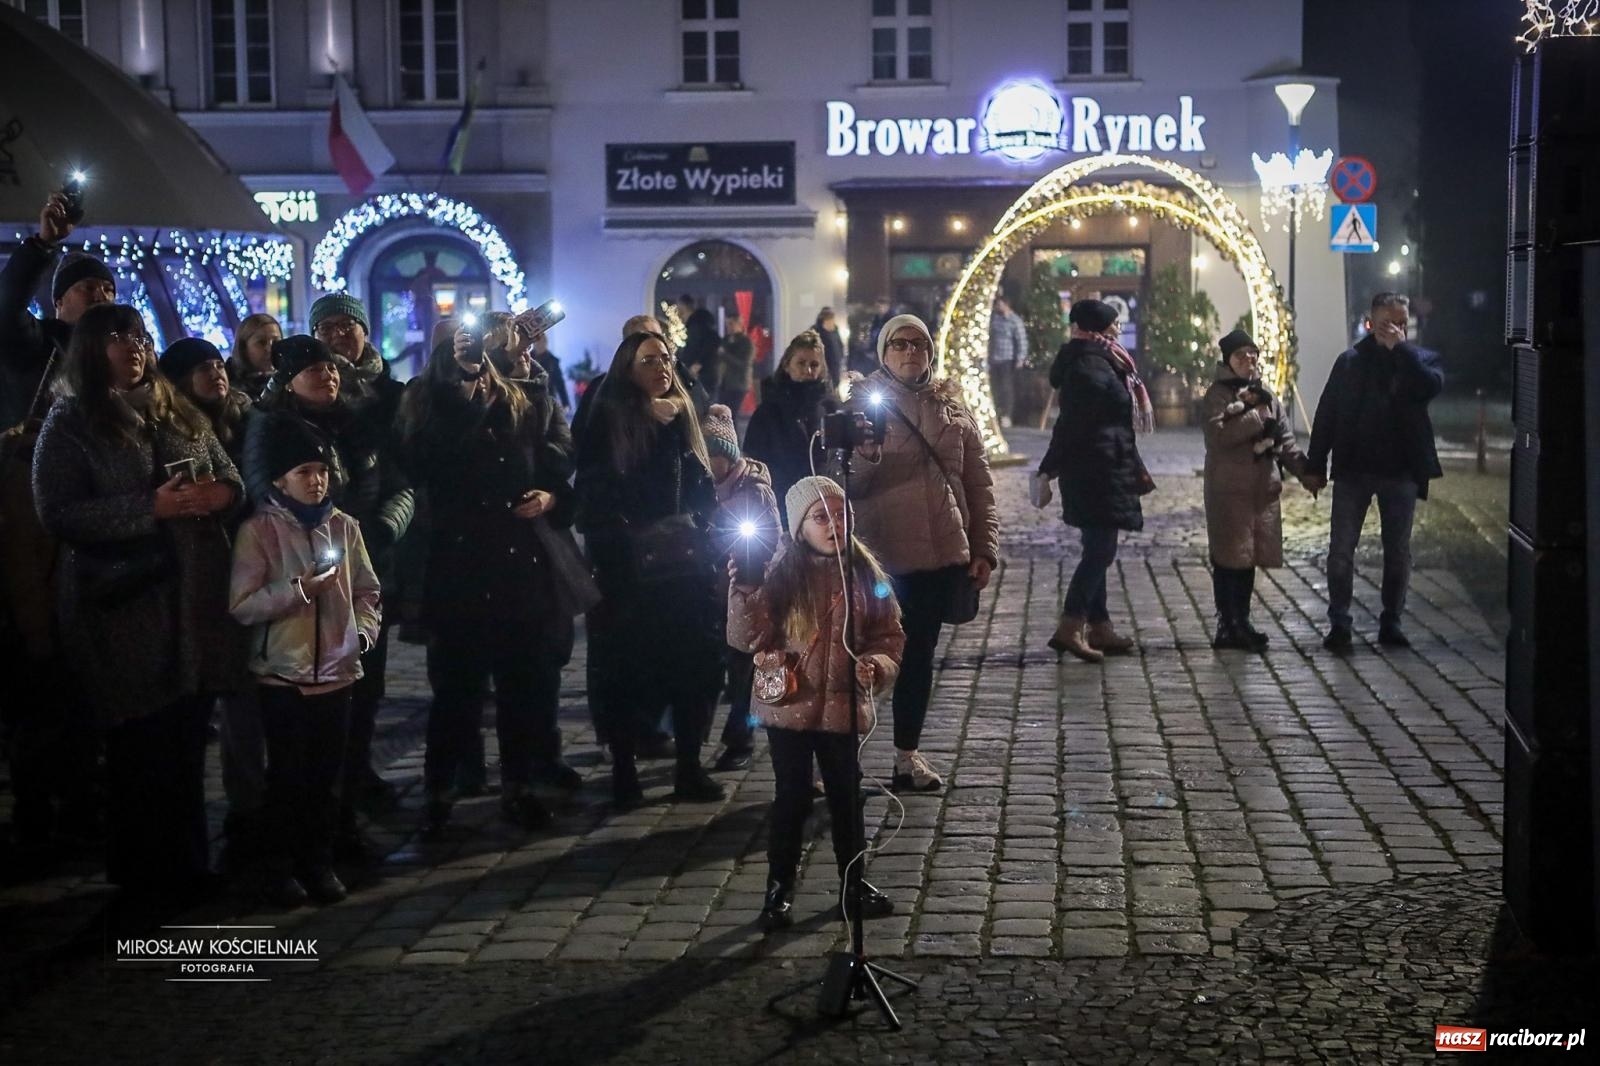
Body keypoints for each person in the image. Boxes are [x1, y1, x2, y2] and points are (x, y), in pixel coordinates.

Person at [31, 304, 243, 909]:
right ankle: (143, 875)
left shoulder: (177, 410)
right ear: (94, 350)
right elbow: (59, 511)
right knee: (139, 743)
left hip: (191, 596)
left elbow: (230, 476)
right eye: (119, 338)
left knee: (183, 740)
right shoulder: (71, 422)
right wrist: (150, 509)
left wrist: (217, 493)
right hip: (121, 602)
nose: (134, 347)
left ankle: (189, 866)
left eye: (140, 336)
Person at [399, 314, 580, 837]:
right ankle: (440, 789)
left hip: (519, 563)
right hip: (460, 564)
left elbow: (557, 470)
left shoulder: (526, 400)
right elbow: (425, 459)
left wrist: (550, 497)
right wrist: (460, 381)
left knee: (521, 687)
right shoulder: (434, 398)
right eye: (505, 345)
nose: (519, 353)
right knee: (457, 690)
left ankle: (518, 787)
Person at [243, 334, 414, 847]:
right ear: (289, 381)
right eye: (314, 370)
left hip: (363, 572)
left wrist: (382, 529)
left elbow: (399, 485)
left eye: (332, 369)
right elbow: (261, 492)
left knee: (361, 694)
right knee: (306, 711)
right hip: (304, 582)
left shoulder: (362, 423)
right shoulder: (272, 428)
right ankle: (302, 833)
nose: (328, 377)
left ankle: (346, 806)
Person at [728, 476, 904, 930]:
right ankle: (779, 888)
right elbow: (749, 638)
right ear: (799, 526)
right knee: (792, 797)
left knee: (847, 795)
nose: (834, 525)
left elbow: (889, 634)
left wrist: (877, 664)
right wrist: (744, 593)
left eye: (841, 514)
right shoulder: (777, 571)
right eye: (820, 517)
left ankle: (853, 881)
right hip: (789, 703)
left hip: (843, 703)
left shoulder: (866, 574)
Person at [843, 314, 998, 793]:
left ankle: (905, 755)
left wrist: (984, 547)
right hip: (883, 559)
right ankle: (838, 759)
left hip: (939, 556)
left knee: (918, 657)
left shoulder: (952, 404)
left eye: (919, 344)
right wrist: (864, 454)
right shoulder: (862, 405)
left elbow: (978, 480)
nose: (911, 352)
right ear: (884, 352)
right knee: (865, 659)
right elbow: (844, 480)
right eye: (899, 344)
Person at [229, 417, 381, 908]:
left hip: (337, 673)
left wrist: (360, 634)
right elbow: (243, 603)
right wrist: (298, 591)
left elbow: (367, 592)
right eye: (303, 471)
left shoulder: (346, 526)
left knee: (325, 777)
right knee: (288, 777)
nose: (316, 480)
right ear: (279, 479)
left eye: (321, 470)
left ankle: (318, 862)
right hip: (284, 674)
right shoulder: (260, 532)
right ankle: (280, 867)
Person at [576, 330, 727, 807]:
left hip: (685, 570)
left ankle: (689, 767)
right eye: (648, 360)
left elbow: (703, 488)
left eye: (665, 358)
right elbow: (595, 495)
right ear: (628, 370)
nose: (661, 367)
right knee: (625, 674)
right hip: (629, 575)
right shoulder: (609, 421)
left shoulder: (683, 419)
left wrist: (706, 531)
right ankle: (624, 770)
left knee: (694, 669)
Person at [1305, 292, 1443, 651]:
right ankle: (1340, 623)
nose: (1395, 328)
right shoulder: (1350, 362)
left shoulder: (1417, 361)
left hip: (1401, 472)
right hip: (1354, 470)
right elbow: (1327, 413)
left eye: (1401, 321)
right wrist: (1315, 464)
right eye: (1388, 321)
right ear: (1372, 320)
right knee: (1340, 551)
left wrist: (1401, 350)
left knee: (1397, 552)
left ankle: (1392, 621)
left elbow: (1431, 385)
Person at [1038, 299, 1154, 664]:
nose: (1118, 330)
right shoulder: (1090, 366)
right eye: (1114, 325)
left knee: (1097, 547)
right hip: (1094, 471)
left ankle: (1100, 626)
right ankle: (1071, 626)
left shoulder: (1105, 360)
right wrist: (1048, 468)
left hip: (1103, 466)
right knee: (1100, 551)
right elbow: (1072, 425)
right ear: (1097, 329)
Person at [1202, 330, 1316, 651]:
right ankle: (1228, 624)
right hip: (1230, 490)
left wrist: (1305, 471)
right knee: (1229, 558)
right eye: (1241, 356)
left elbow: (1284, 439)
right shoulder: (1217, 394)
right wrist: (1255, 416)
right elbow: (1219, 436)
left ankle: (1243, 621)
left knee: (1248, 558)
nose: (1248, 361)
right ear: (1227, 360)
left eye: (1252, 355)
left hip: (1261, 490)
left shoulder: (1265, 392)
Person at [700, 403, 780, 772]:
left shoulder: (754, 490)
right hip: (710, 592)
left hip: (746, 590)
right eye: (706, 454)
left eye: (717, 455)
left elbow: (767, 539)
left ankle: (741, 736)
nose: (712, 462)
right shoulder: (700, 488)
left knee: (746, 667)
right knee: (717, 666)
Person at [0, 193, 117, 430]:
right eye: (88, 287)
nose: (101, 296)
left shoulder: (117, 353)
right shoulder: (36, 343)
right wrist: (43, 244)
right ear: (59, 301)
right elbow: (7, 306)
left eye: (108, 289)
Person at [742, 330, 838, 522]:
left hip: (824, 503)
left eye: (814, 364)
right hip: (781, 501)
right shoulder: (768, 410)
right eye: (801, 363)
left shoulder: (831, 408)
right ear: (787, 365)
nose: (808, 370)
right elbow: (753, 459)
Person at [159, 338, 251, 467]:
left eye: (220, 366)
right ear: (182, 380)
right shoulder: (177, 430)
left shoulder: (245, 411)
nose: (216, 374)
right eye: (204, 368)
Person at [987, 295, 1028, 429]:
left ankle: (1006, 415)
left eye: (999, 304)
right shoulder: (995, 319)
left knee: (1006, 388)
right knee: (995, 387)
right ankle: (996, 414)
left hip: (1007, 359)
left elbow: (1021, 340)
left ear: (1006, 304)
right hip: (994, 358)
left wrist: (1020, 358)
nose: (997, 307)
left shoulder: (1014, 321)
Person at [226, 313, 282, 401]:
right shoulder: (227, 390)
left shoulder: (290, 383)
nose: (270, 349)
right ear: (243, 348)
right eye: (261, 342)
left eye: (276, 341)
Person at [675, 294, 722, 396]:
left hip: (704, 376)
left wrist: (698, 363)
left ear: (684, 307)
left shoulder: (697, 325)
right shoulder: (697, 324)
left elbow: (711, 343)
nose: (678, 314)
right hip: (704, 374)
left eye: (679, 309)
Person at [716, 317, 756, 413]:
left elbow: (744, 364)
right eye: (727, 324)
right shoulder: (726, 340)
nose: (729, 327)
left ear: (739, 324)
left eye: (731, 324)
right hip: (725, 382)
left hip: (738, 383)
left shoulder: (746, 342)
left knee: (732, 413)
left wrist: (725, 355)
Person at [531, 332, 571, 412]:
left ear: (546, 343)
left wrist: (565, 403)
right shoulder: (528, 358)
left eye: (542, 341)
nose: (539, 344)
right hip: (531, 397)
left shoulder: (552, 361)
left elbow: (559, 382)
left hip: (548, 397)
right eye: (537, 341)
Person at [813, 307, 846, 387]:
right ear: (825, 320)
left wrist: (841, 358)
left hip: (835, 367)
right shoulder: (817, 332)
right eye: (831, 320)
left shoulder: (835, 331)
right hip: (824, 367)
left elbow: (839, 346)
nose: (833, 322)